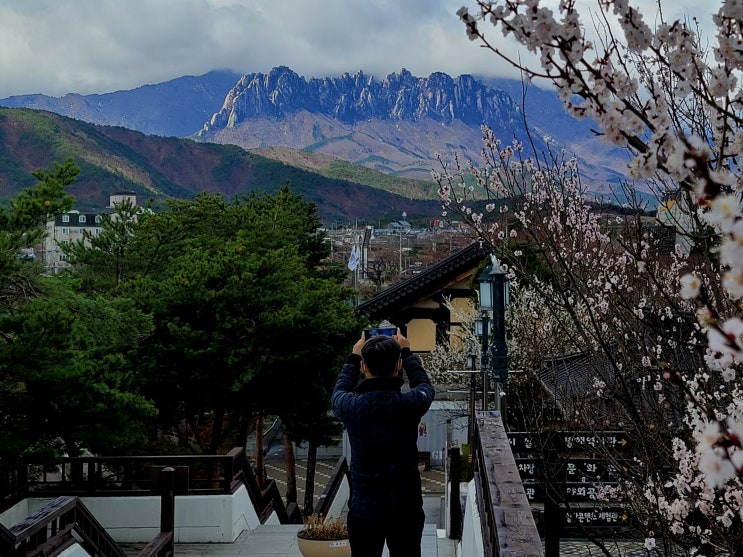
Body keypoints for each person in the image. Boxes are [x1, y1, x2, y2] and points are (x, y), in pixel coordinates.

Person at [331, 328, 435, 557]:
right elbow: (426, 387)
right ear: (398, 367)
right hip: (406, 508)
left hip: (364, 508)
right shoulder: (408, 404)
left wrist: (353, 357)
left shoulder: (349, 406)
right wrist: (407, 353)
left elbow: (338, 392)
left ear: (363, 367)